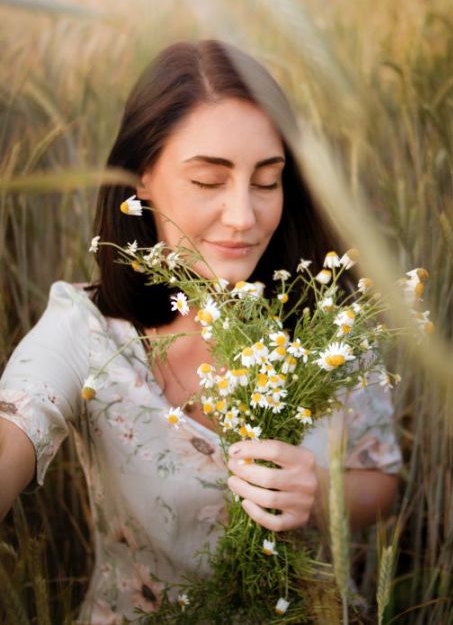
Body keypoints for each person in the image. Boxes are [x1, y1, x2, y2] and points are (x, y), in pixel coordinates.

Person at [0, 39, 401, 624]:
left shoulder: (331, 319)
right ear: (142, 179)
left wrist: (317, 494)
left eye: (267, 182)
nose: (244, 216)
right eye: (209, 181)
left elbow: (380, 478)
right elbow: (15, 428)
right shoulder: (87, 331)